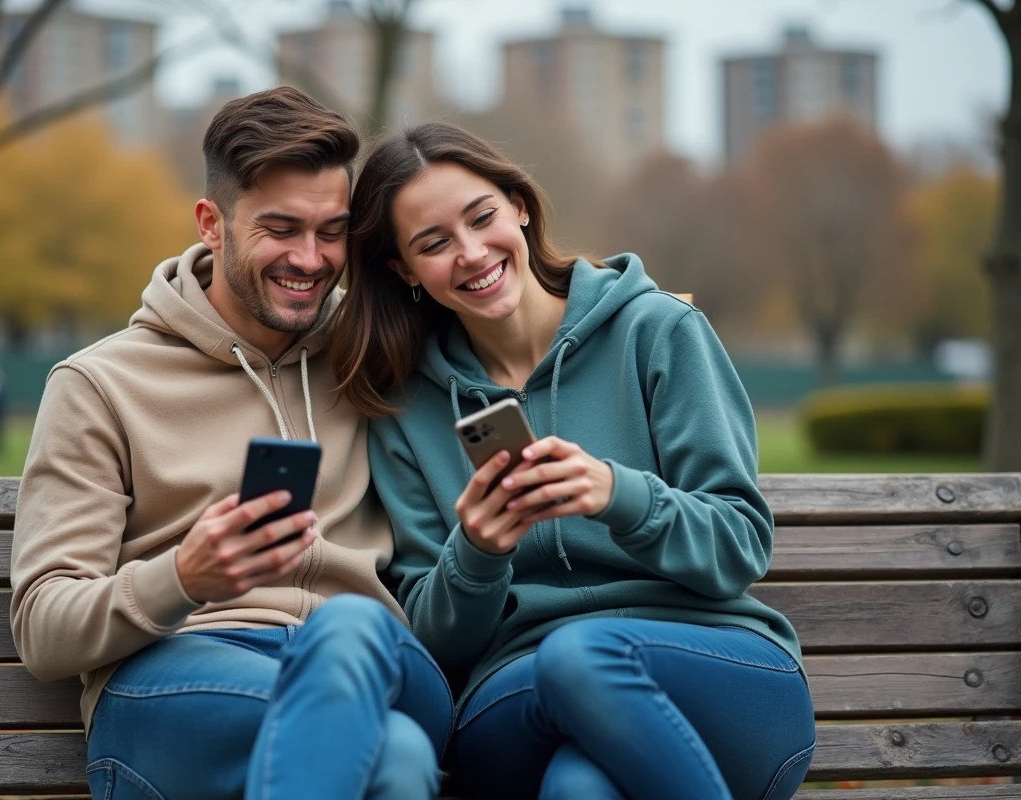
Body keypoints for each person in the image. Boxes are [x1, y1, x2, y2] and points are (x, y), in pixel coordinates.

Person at [329, 121, 815, 800]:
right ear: (404, 270)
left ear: (520, 207)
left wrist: (619, 494)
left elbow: (739, 547)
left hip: (715, 675)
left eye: (482, 218)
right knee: (568, 668)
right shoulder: (405, 410)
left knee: (579, 782)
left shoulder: (658, 332)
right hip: (520, 700)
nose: (471, 252)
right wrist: (477, 552)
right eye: (434, 244)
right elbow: (435, 643)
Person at [10, 88, 451, 800]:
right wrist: (182, 577)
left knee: (350, 630)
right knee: (395, 755)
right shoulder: (101, 383)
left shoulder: (375, 349)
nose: (310, 259)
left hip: (375, 659)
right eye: (281, 229)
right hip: (184, 675)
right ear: (211, 224)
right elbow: (43, 629)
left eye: (332, 232)